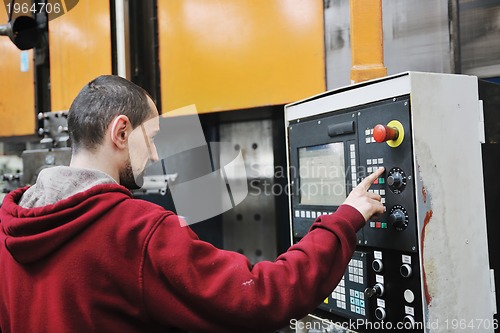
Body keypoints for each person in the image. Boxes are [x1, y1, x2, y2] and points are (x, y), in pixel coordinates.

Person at [0, 75, 384, 333]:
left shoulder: (13, 225)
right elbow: (261, 296)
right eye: (150, 138)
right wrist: (346, 218)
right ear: (120, 132)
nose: (153, 154)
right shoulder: (135, 229)